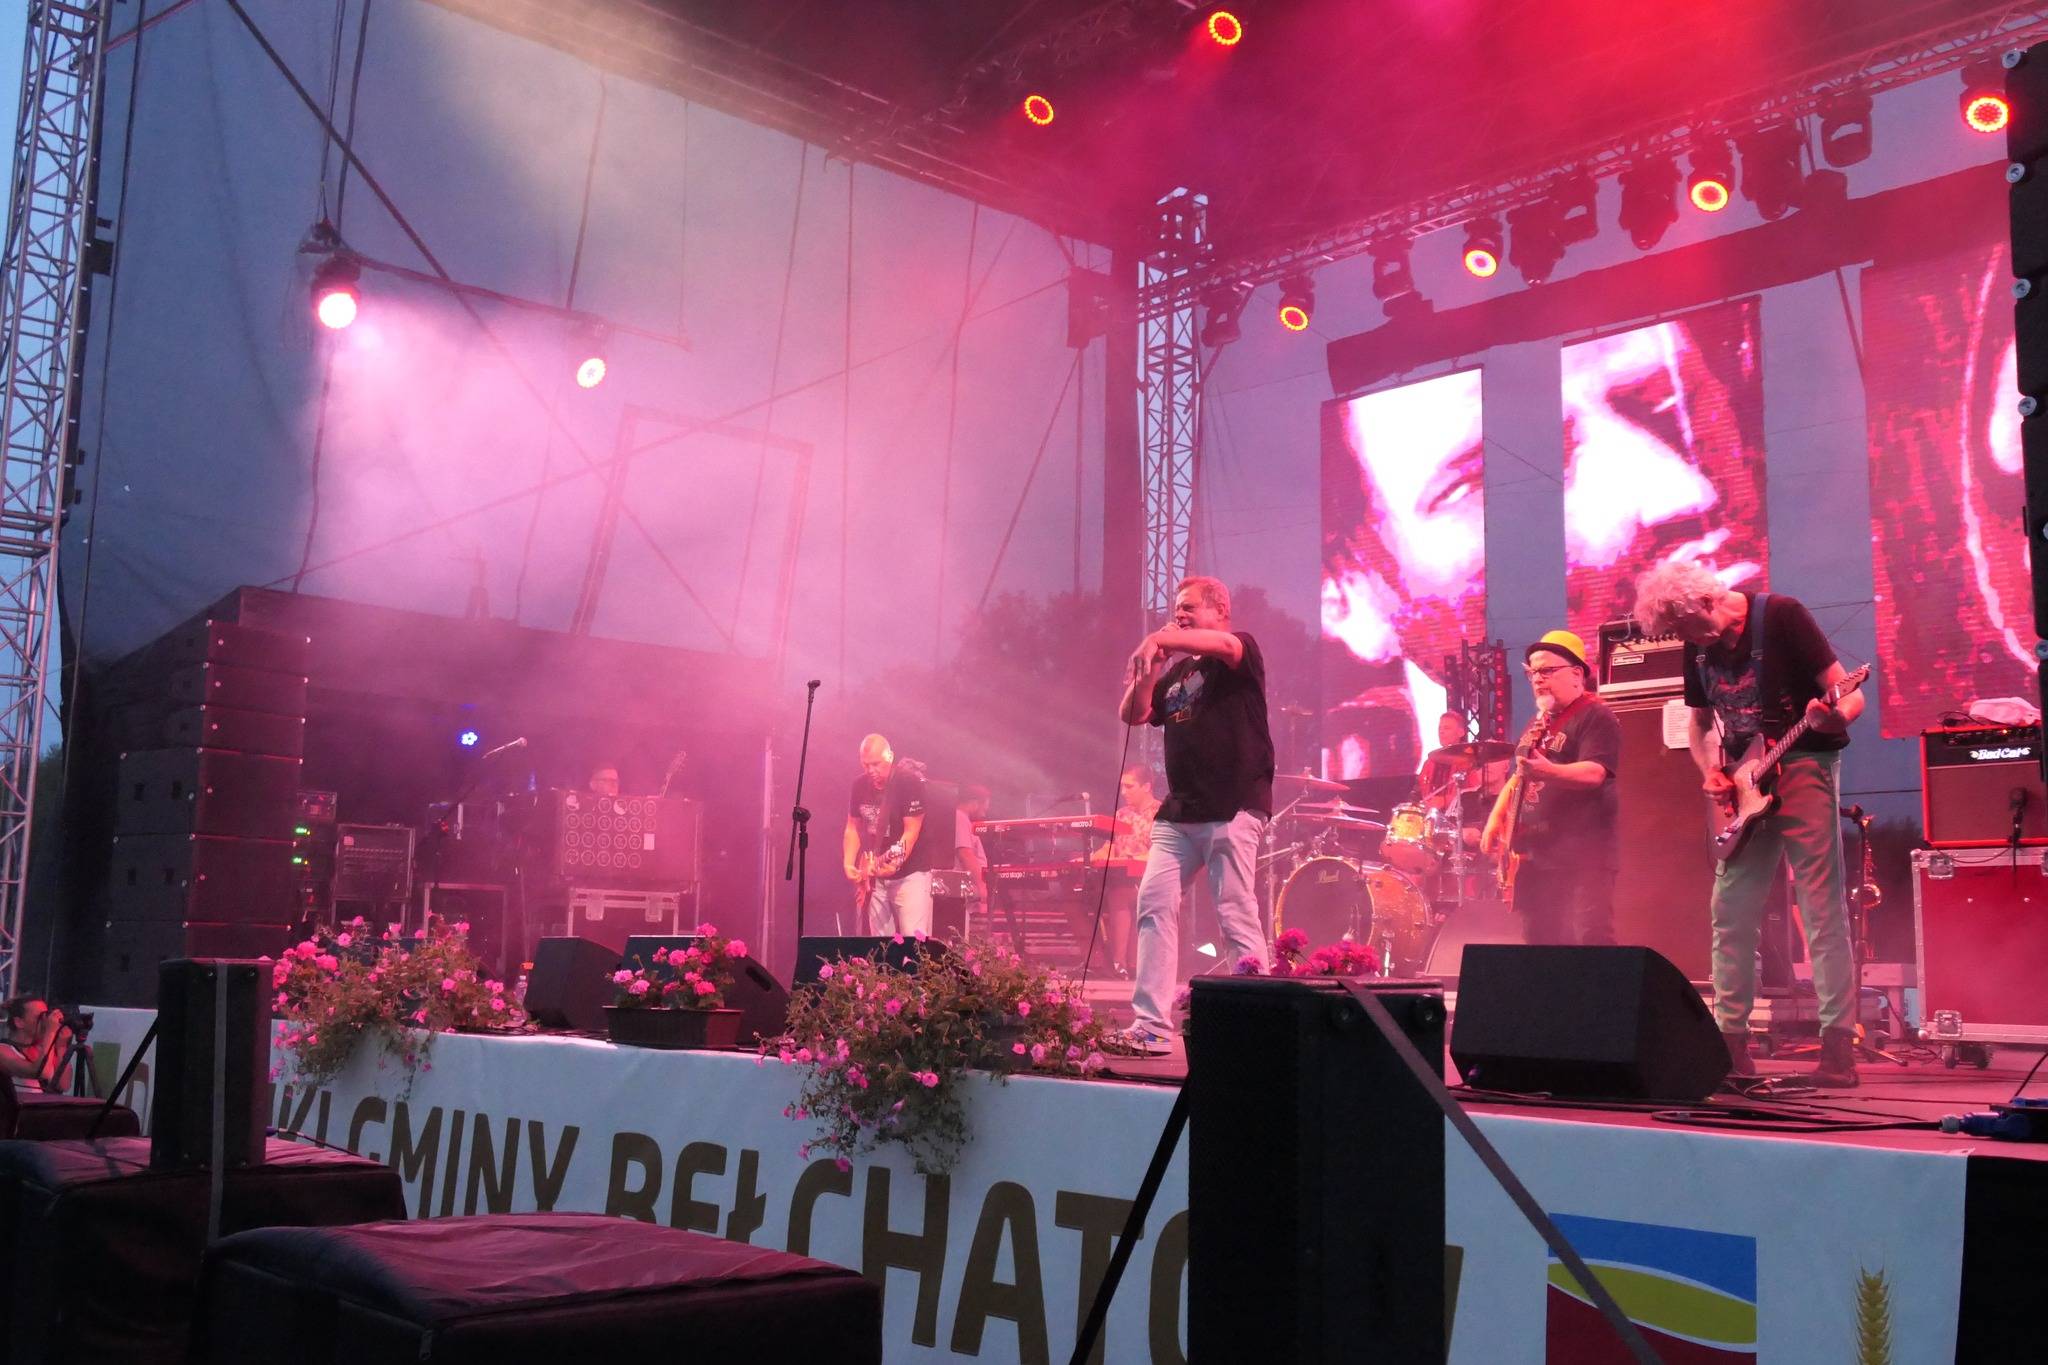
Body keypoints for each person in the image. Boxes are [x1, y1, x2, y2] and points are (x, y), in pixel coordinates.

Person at [1632, 561, 1864, 1087]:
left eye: (1685, 627)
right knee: (1729, 911)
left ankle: (1837, 1051)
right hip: (1746, 781)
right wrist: (1710, 771)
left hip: (1805, 763)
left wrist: (1834, 716)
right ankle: (1730, 1046)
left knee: (1821, 907)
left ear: (1705, 603)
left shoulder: (1781, 616)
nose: (1686, 639)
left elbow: (1850, 693)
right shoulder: (1697, 648)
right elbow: (1698, 723)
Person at [1114, 577, 1275, 1054]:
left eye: (1188, 607)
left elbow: (1223, 645)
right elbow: (1133, 713)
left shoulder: (1240, 649)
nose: (1178, 615)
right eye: (1176, 609)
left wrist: (1158, 637)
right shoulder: (1180, 674)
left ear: (1219, 608)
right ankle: (1151, 1027)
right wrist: (1151, 669)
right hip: (1180, 812)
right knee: (1154, 904)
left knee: (1235, 913)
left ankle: (1259, 1030)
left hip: (1232, 805)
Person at [1480, 630, 1621, 948]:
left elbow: (1595, 772)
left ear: (1577, 674)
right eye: (1532, 672)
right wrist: (1496, 819)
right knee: (1541, 943)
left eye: (1547, 670)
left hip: (1582, 854)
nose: (1537, 679)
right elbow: (1519, 776)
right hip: (1536, 855)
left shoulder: (1595, 715)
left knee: (1590, 940)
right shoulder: (1538, 723)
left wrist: (1549, 772)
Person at [843, 734, 933, 937]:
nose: (870, 770)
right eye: (865, 765)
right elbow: (852, 828)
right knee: (880, 944)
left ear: (890, 756)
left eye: (876, 764)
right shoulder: (859, 785)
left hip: (910, 873)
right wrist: (848, 863)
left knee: (913, 940)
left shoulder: (909, 783)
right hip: (876, 872)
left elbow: (911, 831)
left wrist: (896, 863)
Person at [1092, 767, 1161, 978]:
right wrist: (1093, 857)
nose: (1123, 792)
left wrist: (1133, 859)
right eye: (1122, 786)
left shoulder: (1162, 813)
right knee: (1077, 896)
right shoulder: (1121, 814)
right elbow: (1111, 846)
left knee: (1120, 895)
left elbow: (1161, 851)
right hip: (1119, 879)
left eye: (1129, 786)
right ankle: (1102, 962)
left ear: (1147, 786)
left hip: (1151, 881)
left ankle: (1119, 964)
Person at [0, 998, 73, 1093]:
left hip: (42, 1103)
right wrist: (50, 1032)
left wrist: (61, 1047)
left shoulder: (41, 1048)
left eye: (47, 1015)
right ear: (19, 1022)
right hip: (20, 1102)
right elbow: (41, 1072)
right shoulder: (3, 1050)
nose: (46, 1020)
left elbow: (64, 1085)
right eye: (40, 1016)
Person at [953, 785, 992, 914]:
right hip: (961, 890)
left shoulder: (962, 819)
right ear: (975, 803)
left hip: (965, 889)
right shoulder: (960, 817)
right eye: (983, 809)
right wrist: (982, 887)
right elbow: (965, 854)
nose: (984, 814)